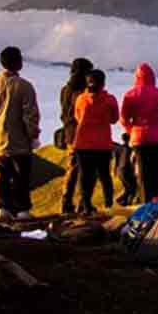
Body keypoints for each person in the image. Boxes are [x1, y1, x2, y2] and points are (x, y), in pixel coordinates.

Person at [0, 46, 41, 222]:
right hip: (20, 141)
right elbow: (30, 115)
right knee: (21, 175)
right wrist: (33, 136)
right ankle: (22, 211)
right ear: (18, 63)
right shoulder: (25, 86)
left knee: (1, 176)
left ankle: (2, 209)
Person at [121, 62, 158, 204]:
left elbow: (124, 118)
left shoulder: (130, 94)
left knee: (143, 173)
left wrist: (131, 131)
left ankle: (145, 202)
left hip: (139, 139)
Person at [74, 69, 119, 215]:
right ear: (103, 83)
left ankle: (86, 205)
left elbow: (77, 116)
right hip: (102, 143)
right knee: (105, 175)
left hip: (83, 143)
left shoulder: (80, 99)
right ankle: (108, 204)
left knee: (85, 175)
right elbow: (114, 119)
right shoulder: (110, 100)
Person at [59, 57, 93, 215]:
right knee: (85, 170)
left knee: (72, 169)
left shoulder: (65, 89)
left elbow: (64, 113)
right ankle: (83, 203)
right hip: (83, 133)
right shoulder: (83, 92)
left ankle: (66, 202)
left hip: (70, 134)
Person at [114, 133, 138, 207]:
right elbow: (132, 160)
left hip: (120, 170)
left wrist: (115, 170)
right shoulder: (131, 148)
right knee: (133, 189)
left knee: (128, 188)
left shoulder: (118, 148)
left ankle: (120, 201)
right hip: (127, 170)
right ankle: (128, 204)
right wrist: (135, 171)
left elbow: (117, 160)